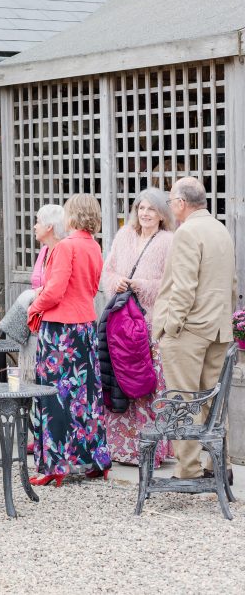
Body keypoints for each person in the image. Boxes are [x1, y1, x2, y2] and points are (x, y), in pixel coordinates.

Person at [153, 177, 237, 481]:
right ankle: (220, 464)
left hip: (188, 331)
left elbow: (184, 287)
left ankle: (187, 469)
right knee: (214, 402)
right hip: (217, 328)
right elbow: (232, 284)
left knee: (182, 401)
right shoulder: (220, 229)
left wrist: (170, 327)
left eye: (171, 199)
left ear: (180, 203)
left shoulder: (187, 232)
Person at [26, 194, 110, 486]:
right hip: (85, 324)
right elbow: (93, 285)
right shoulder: (94, 247)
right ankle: (96, 459)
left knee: (55, 396)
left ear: (71, 216)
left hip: (61, 329)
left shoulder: (65, 247)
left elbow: (54, 290)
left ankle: (54, 464)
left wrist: (34, 307)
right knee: (86, 395)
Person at [100, 188, 175, 466]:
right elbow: (107, 271)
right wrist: (116, 282)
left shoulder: (169, 241)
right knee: (119, 383)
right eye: (141, 208)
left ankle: (150, 449)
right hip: (121, 325)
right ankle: (121, 448)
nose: (145, 214)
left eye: (151, 209)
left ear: (161, 214)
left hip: (149, 324)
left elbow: (172, 283)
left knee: (146, 386)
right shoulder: (124, 236)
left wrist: (142, 287)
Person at [0, 204, 67, 384]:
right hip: (35, 321)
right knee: (29, 372)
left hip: (53, 322)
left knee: (48, 376)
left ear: (50, 227)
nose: (34, 226)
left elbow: (56, 289)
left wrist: (36, 299)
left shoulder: (64, 251)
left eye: (38, 222)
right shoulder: (44, 251)